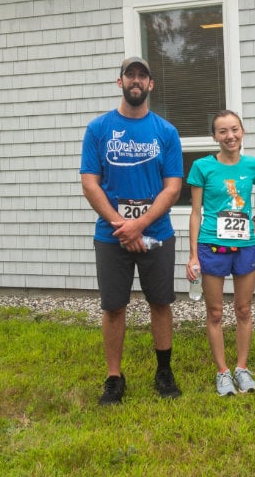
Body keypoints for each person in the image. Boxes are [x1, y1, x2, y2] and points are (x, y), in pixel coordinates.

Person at [80, 56, 183, 405]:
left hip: (157, 232)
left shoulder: (166, 132)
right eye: (130, 75)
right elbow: (90, 183)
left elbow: (172, 187)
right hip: (111, 235)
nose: (136, 81)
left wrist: (138, 224)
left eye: (142, 76)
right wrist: (121, 226)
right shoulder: (98, 129)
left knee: (160, 302)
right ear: (119, 82)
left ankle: (164, 371)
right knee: (113, 307)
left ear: (151, 84)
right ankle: (114, 376)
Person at [186, 110, 255, 396]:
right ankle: (222, 372)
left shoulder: (252, 165)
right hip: (211, 246)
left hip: (244, 246)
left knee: (244, 309)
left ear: (242, 131)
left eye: (234, 129)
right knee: (215, 312)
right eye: (222, 131)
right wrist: (193, 255)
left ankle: (242, 368)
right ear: (214, 137)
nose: (230, 136)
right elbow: (195, 213)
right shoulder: (202, 167)